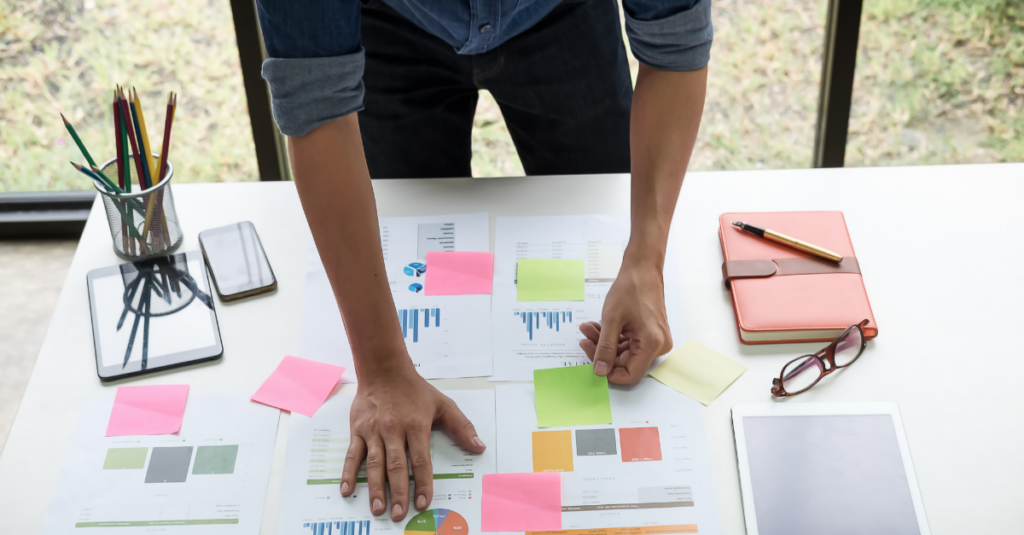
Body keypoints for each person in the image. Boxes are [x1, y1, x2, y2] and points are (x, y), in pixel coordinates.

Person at [255, 0, 712, 522]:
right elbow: (316, 101)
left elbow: (675, 42)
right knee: (411, 240)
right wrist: (380, 367)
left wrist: (646, 260)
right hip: (389, 25)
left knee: (598, 206)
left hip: (564, 16)